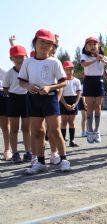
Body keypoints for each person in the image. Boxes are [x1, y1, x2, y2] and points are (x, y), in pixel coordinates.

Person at [18, 29, 70, 174]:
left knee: (55, 130)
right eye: (42, 42)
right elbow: (22, 81)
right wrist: (28, 86)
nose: (45, 45)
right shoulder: (27, 62)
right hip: (33, 98)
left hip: (50, 98)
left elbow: (63, 83)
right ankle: (40, 162)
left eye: (49, 43)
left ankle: (64, 159)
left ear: (52, 46)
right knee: (37, 131)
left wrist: (49, 87)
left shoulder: (55, 62)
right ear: (35, 42)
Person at [80, 37, 107, 144]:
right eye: (89, 44)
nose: (92, 46)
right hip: (89, 81)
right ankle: (89, 131)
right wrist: (95, 59)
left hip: (99, 80)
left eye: (94, 44)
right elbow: (84, 64)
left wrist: (103, 60)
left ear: (98, 46)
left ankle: (96, 131)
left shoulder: (102, 57)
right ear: (86, 47)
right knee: (89, 106)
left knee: (98, 106)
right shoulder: (84, 56)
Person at [3, 41, 31, 162]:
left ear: (26, 57)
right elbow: (5, 88)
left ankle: (29, 152)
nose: (19, 59)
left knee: (27, 128)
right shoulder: (9, 73)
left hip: (27, 98)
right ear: (11, 58)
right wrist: (13, 95)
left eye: (22, 56)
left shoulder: (30, 70)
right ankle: (15, 153)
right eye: (16, 57)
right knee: (14, 129)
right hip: (14, 99)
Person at [59, 61, 82, 147]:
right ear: (64, 70)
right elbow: (60, 94)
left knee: (72, 121)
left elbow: (79, 93)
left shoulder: (77, 81)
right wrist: (65, 104)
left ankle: (72, 140)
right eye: (67, 70)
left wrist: (75, 104)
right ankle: (63, 140)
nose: (69, 72)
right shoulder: (62, 81)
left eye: (71, 69)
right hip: (64, 101)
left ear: (73, 70)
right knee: (64, 122)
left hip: (73, 100)